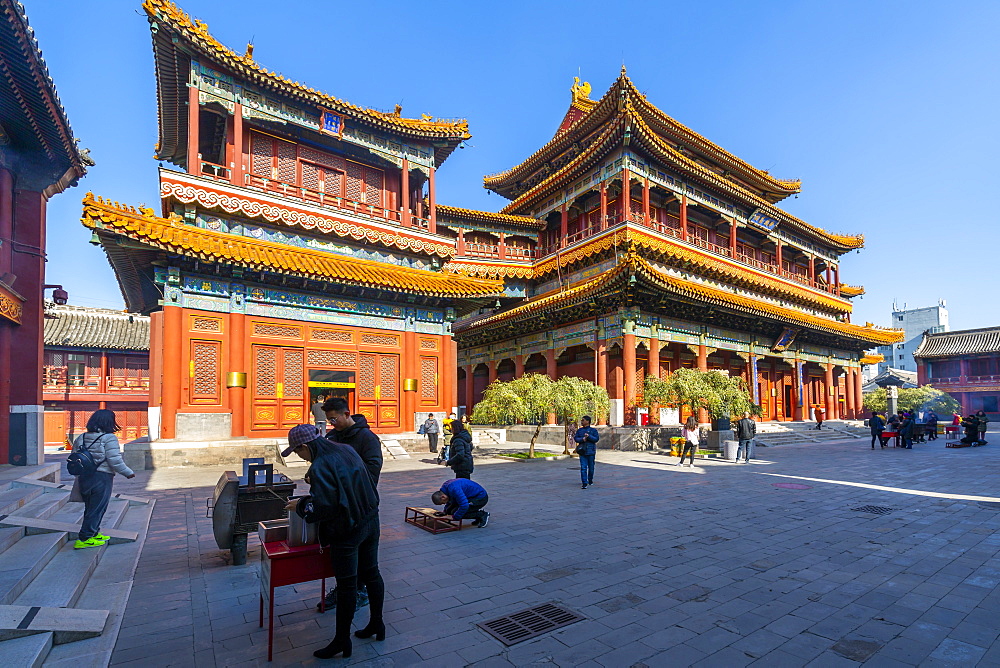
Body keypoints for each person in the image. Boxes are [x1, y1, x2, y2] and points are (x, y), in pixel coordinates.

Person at [282, 425, 385, 660]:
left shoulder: (320, 465)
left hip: (347, 530)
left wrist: (300, 505)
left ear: (305, 446)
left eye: (298, 453)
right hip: (370, 519)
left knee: (347, 586)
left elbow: (325, 507)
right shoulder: (346, 450)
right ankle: (377, 624)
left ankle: (341, 640)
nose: (300, 458)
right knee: (372, 574)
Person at [318, 397, 383, 612]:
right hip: (339, 508)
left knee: (367, 560)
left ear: (347, 414)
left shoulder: (367, 439)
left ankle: (360, 592)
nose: (331, 424)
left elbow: (372, 471)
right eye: (328, 420)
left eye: (334, 419)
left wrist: (340, 479)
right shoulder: (332, 437)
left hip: (363, 506)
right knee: (344, 560)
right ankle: (345, 589)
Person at [71, 409, 136, 549]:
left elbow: (74, 456)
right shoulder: (109, 438)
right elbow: (115, 460)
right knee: (98, 507)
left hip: (84, 477)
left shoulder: (81, 437)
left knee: (91, 506)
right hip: (101, 476)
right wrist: (128, 473)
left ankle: (94, 533)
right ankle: (85, 537)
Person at [573, 416, 599, 488]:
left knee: (591, 468)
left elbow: (596, 439)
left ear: (588, 421)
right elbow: (576, 438)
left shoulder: (593, 431)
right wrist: (582, 439)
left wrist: (589, 436)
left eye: (583, 420)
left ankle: (590, 480)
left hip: (591, 451)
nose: (582, 421)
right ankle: (584, 482)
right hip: (582, 451)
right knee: (583, 467)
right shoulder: (580, 430)